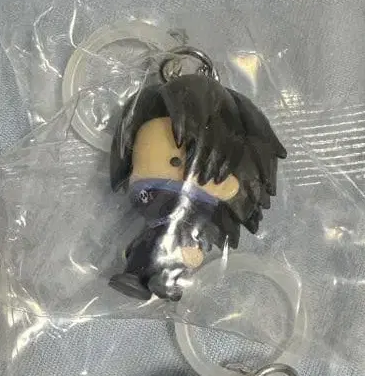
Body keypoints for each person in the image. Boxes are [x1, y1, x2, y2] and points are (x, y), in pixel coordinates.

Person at [108, 74, 286, 301]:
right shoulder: (157, 219)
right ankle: (138, 274)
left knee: (169, 250)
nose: (146, 176)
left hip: (178, 248)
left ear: (227, 184)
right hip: (153, 243)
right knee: (148, 246)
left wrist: (192, 252)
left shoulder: (196, 220)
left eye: (175, 162)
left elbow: (195, 245)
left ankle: (166, 279)